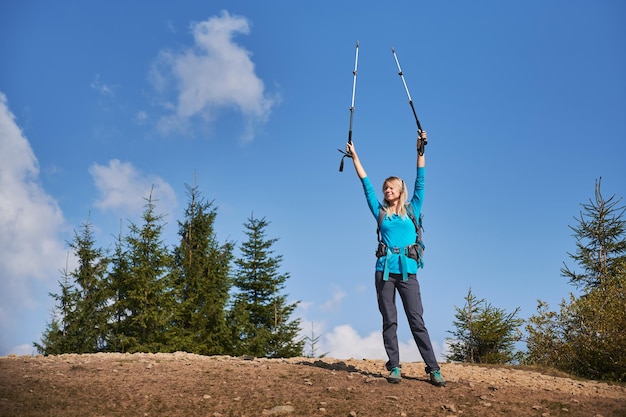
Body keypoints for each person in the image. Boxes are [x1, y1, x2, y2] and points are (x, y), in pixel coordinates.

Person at [345, 130, 446, 387]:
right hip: (384, 271)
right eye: (385, 188)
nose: (386, 190)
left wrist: (420, 150)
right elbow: (366, 185)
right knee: (389, 320)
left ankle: (433, 369)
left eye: (390, 187)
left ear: (400, 190)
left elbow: (421, 180)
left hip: (408, 271)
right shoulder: (380, 212)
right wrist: (355, 156)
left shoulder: (413, 208)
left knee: (416, 320)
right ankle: (395, 367)